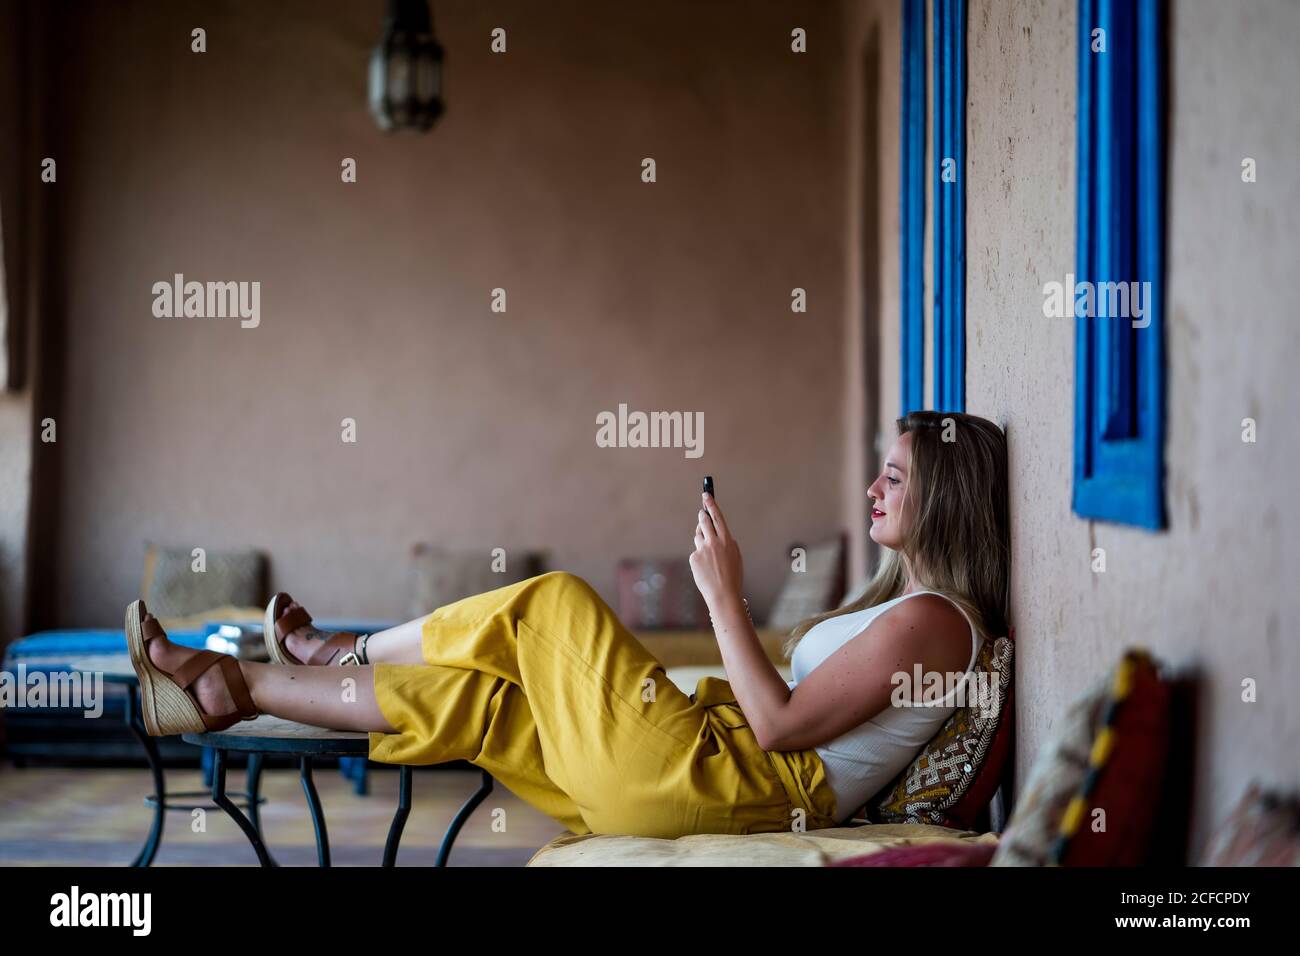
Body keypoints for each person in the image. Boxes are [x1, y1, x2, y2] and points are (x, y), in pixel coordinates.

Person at [125, 410, 1010, 838]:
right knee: (480, 698)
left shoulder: (937, 623)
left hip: (724, 780)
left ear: (947, 493)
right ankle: (231, 687)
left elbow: (778, 726)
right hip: (702, 768)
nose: (873, 489)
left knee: (553, 603)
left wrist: (721, 597)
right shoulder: (911, 609)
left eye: (894, 477)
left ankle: (342, 645)